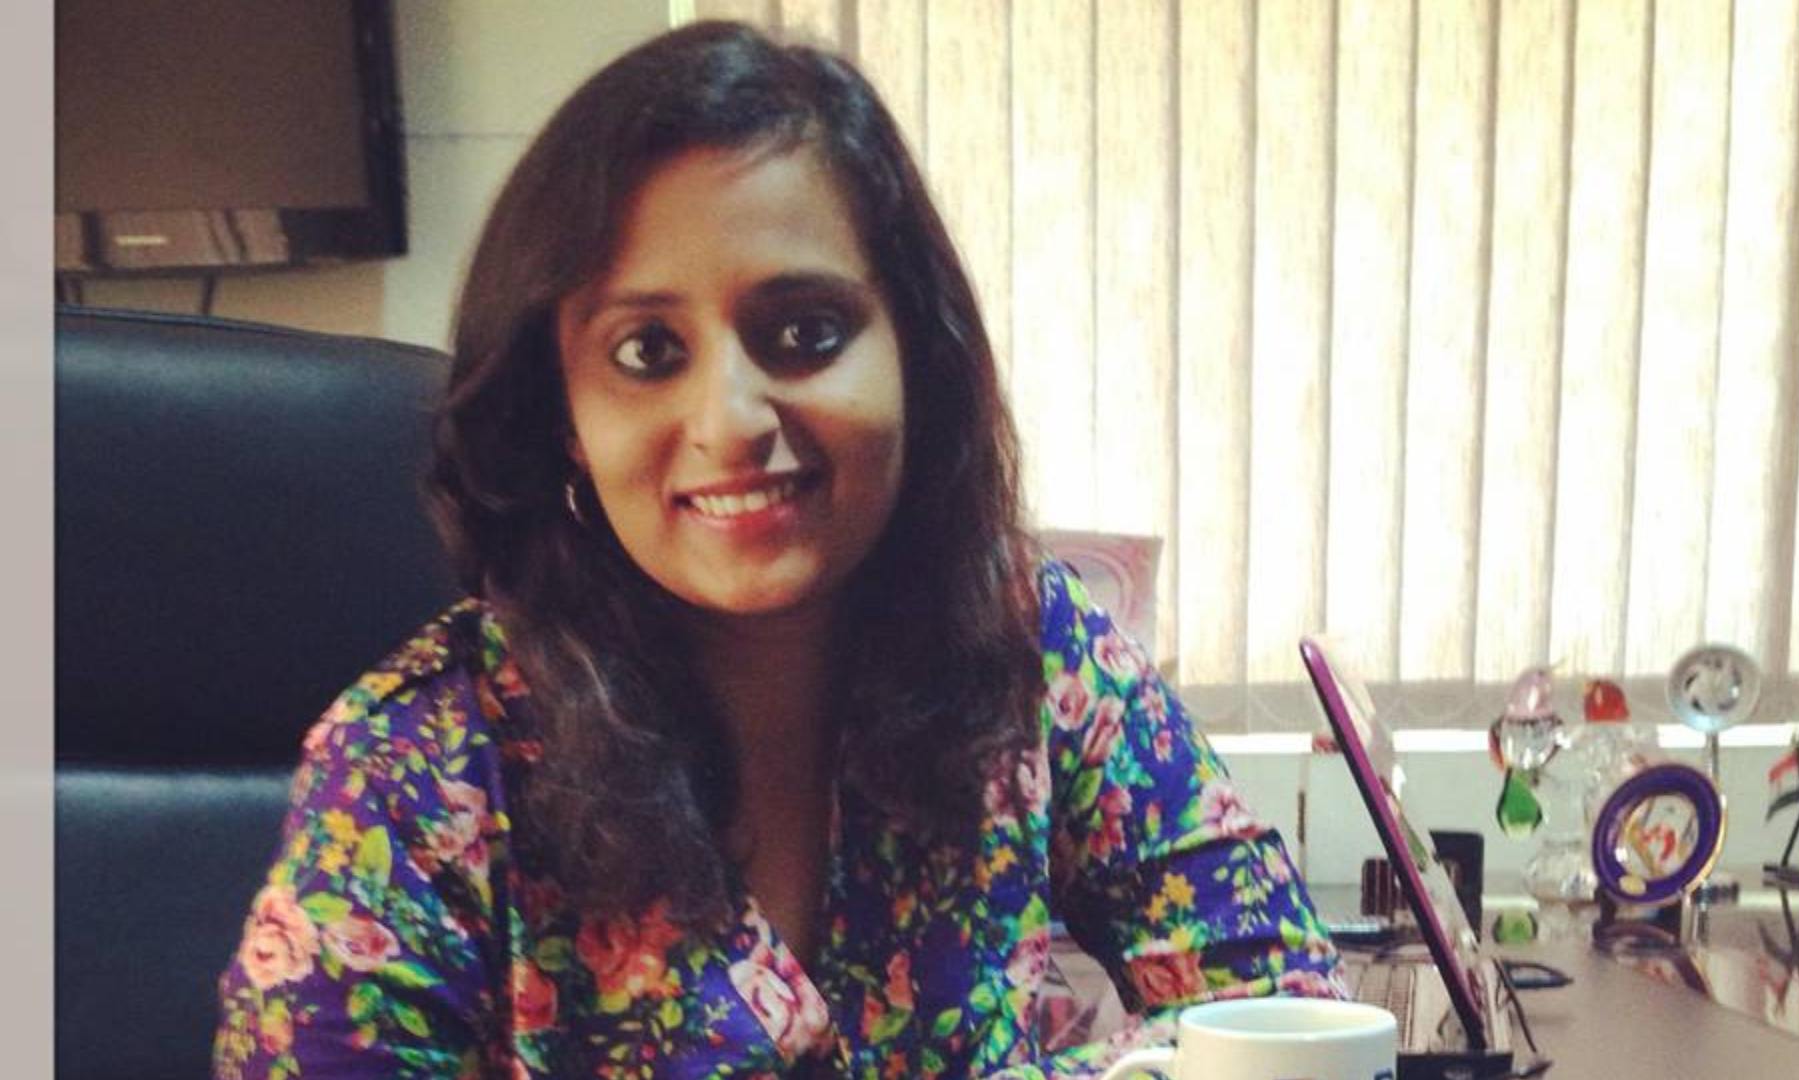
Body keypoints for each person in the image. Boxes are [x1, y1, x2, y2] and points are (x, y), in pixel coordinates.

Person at [213, 20, 1342, 1080]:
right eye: (648, 351)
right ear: (564, 416)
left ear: (916, 355)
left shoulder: (1028, 647)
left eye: (805, 331)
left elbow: (1288, 1013)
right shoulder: (420, 765)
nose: (731, 419)